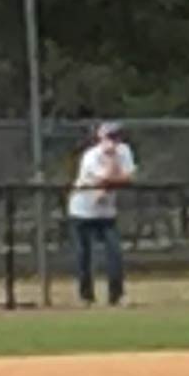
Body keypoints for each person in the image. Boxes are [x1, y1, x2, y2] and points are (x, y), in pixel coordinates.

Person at [67, 123, 136, 307]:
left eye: (116, 137)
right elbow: (104, 179)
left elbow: (128, 177)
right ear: (100, 139)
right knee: (83, 255)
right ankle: (86, 296)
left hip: (106, 212)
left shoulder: (125, 151)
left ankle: (117, 296)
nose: (114, 142)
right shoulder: (91, 156)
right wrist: (113, 168)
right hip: (82, 210)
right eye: (109, 137)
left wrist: (114, 163)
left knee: (115, 253)